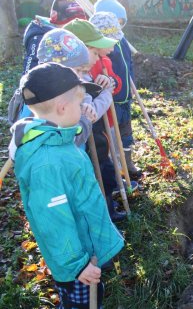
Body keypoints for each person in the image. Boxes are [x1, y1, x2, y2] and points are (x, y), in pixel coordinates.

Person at [8, 62, 124, 309]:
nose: (83, 109)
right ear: (62, 108)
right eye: (79, 103)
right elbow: (53, 222)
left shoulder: (58, 139)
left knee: (93, 296)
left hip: (84, 245)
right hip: (77, 261)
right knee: (80, 304)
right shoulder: (48, 163)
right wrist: (78, 265)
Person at [63, 19, 137, 221]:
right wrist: (107, 92)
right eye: (95, 52)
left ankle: (108, 209)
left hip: (97, 134)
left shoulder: (85, 71)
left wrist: (110, 82)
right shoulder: (74, 79)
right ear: (80, 48)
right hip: (86, 141)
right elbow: (92, 111)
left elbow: (114, 83)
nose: (98, 57)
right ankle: (105, 214)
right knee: (99, 173)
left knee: (105, 169)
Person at [8, 0, 87, 124]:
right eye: (70, 23)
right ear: (58, 20)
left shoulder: (65, 38)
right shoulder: (40, 38)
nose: (73, 28)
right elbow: (31, 75)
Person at [91, 0, 142, 178]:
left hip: (125, 96)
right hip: (111, 101)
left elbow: (127, 65)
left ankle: (127, 164)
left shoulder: (121, 40)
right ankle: (116, 168)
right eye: (117, 22)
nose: (119, 26)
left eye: (121, 23)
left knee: (126, 133)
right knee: (113, 134)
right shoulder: (100, 52)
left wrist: (129, 84)